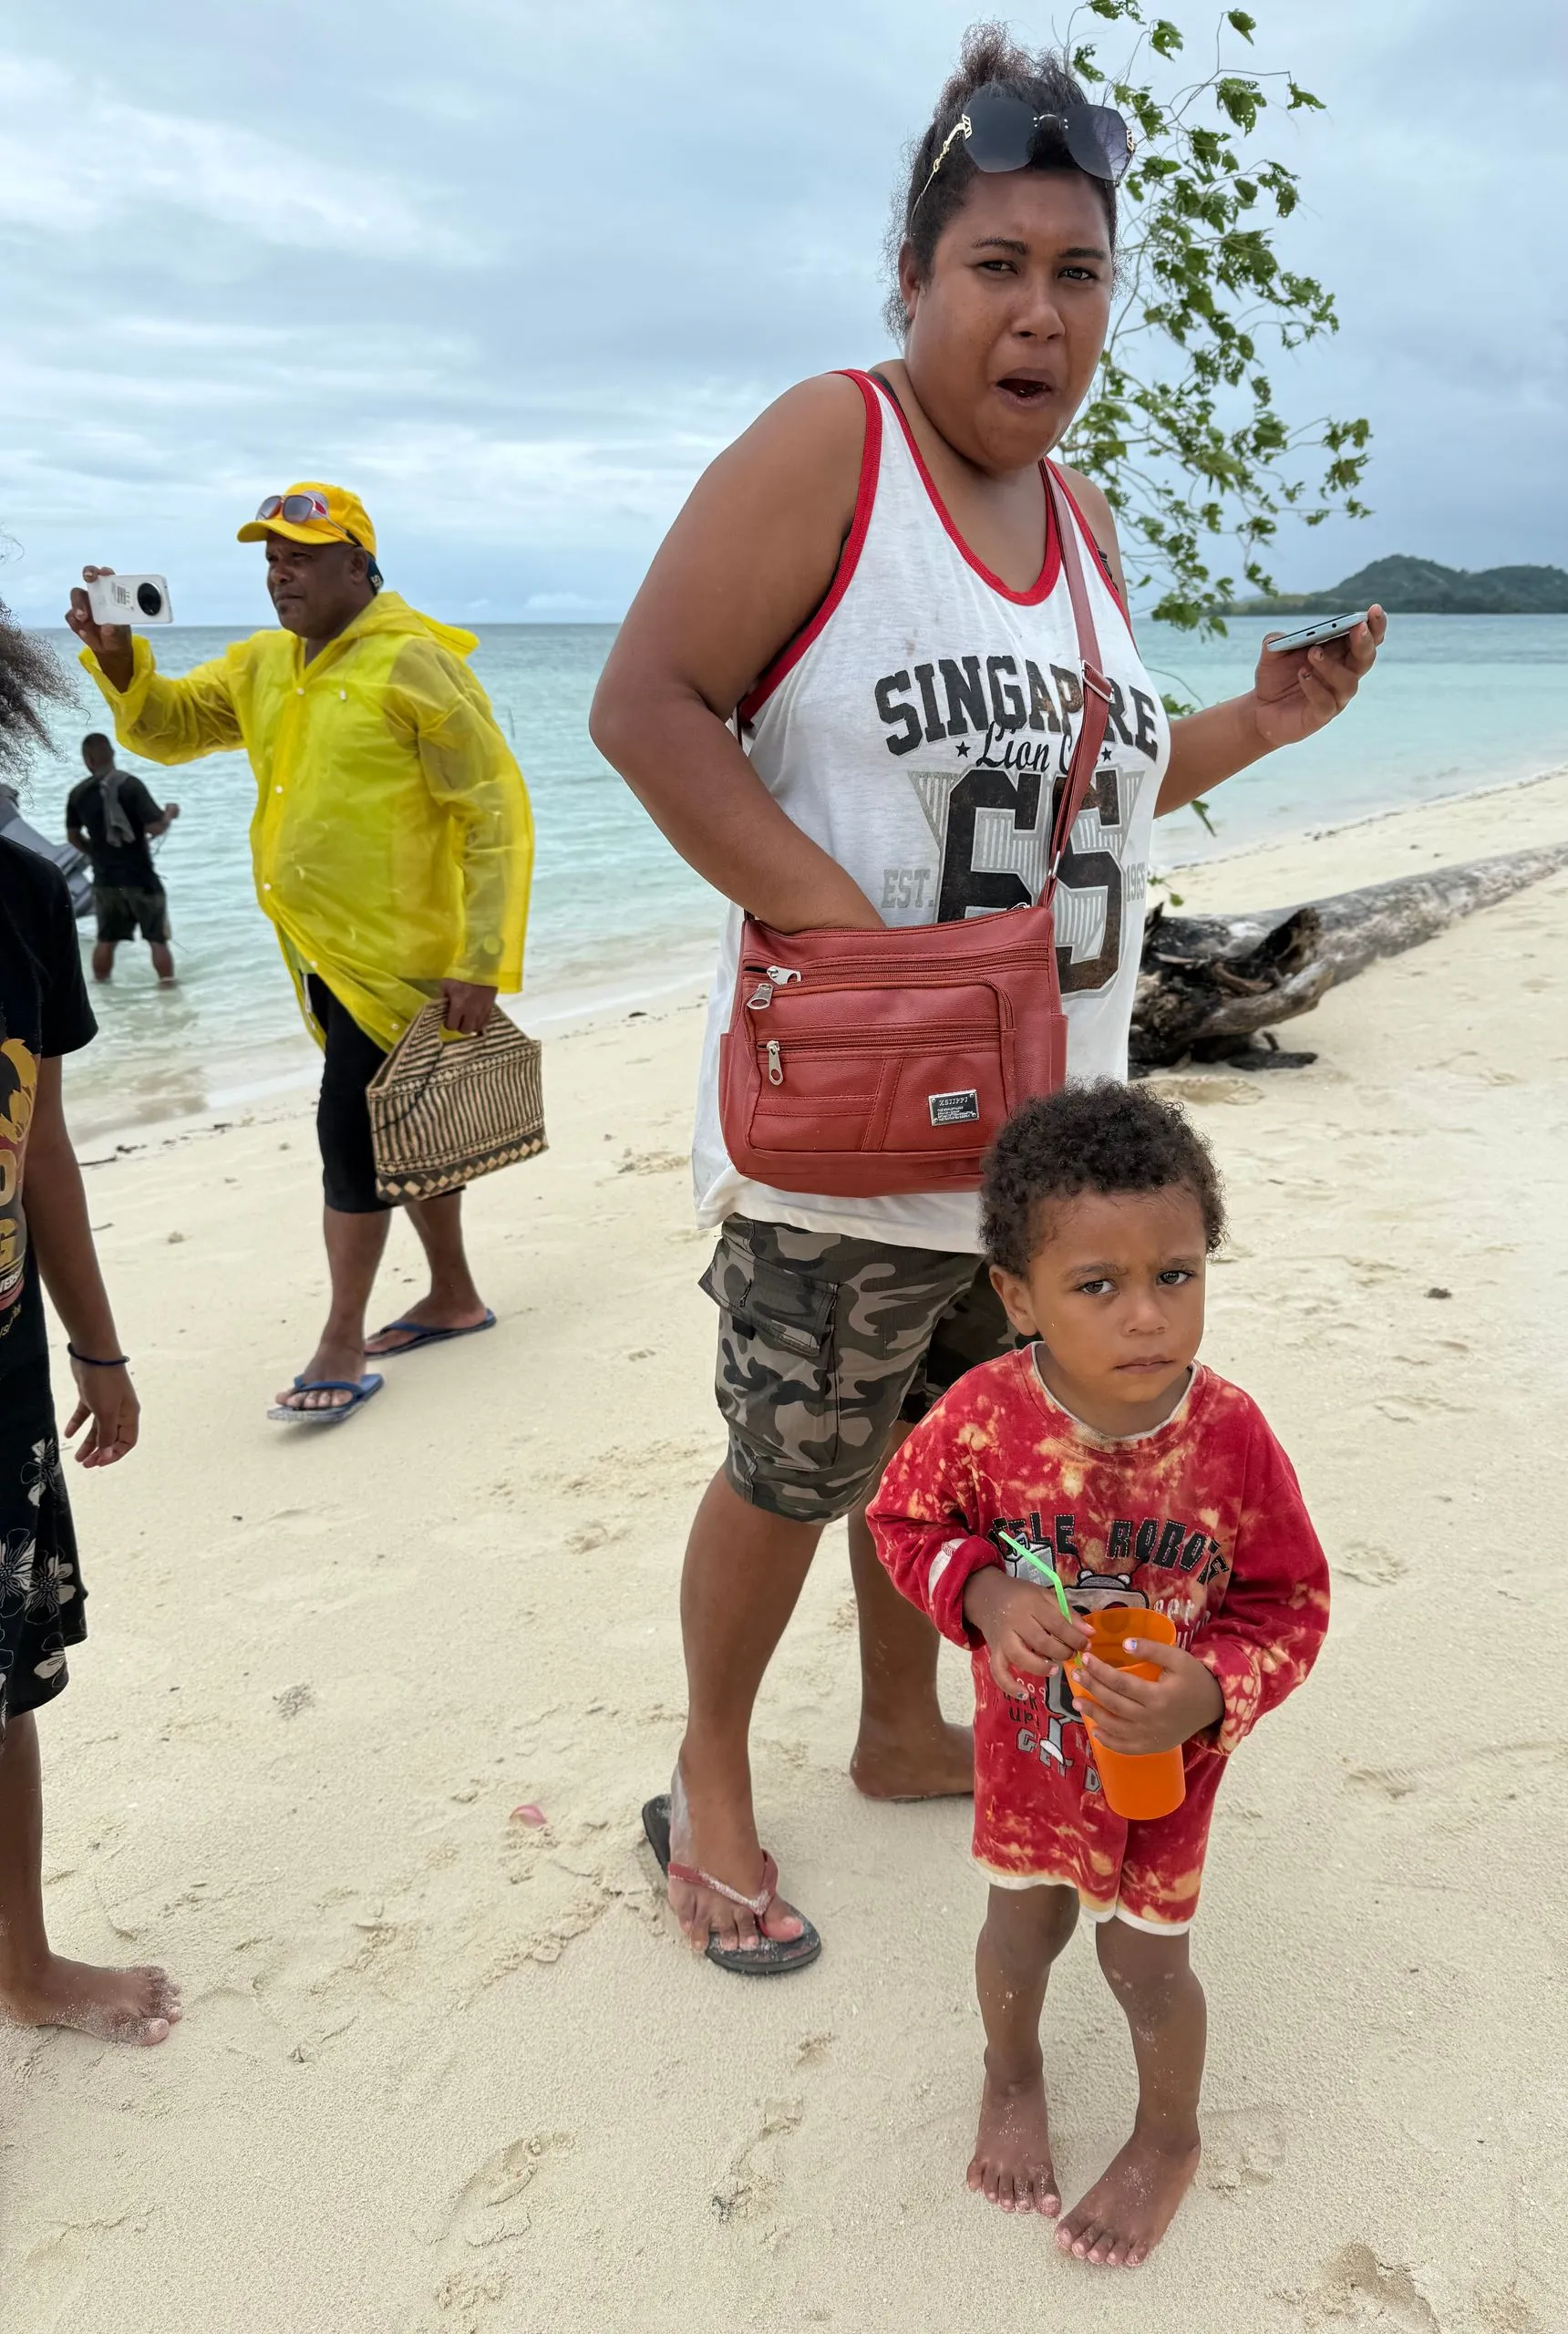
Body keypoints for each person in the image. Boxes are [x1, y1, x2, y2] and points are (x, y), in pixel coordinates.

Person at [589, 27, 1380, 1971]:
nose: (1039, 314)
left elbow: (1080, 803)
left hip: (1044, 1143)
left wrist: (1256, 727)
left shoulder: (1091, 523)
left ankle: (888, 1726)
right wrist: (855, 946)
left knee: (957, 1454)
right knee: (796, 1461)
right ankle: (708, 1771)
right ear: (919, 282)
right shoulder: (833, 447)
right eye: (996, 268)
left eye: (1077, 271)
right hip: (856, 1122)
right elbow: (645, 705)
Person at [869, 1081, 1327, 2267]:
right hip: (1028, 1753)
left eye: (1175, 1276)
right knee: (1019, 1929)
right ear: (1018, 1299)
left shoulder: (1230, 1440)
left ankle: (1167, 2136)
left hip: (1163, 1766)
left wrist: (1211, 1689)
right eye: (1097, 1285)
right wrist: (983, 1592)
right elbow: (901, 1520)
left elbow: (1292, 1601)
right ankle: (1009, 2072)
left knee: (1143, 1960)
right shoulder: (981, 1419)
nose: (1145, 1318)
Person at [64, 483, 534, 1425]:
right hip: (316, 952)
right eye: (270, 559)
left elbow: (492, 810)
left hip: (405, 953)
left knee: (350, 1137)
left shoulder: (417, 664)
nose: (280, 575)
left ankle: (341, 1337)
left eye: (301, 557)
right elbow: (166, 728)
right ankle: (453, 1294)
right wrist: (119, 663)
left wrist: (483, 957)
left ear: (359, 563)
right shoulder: (265, 666)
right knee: (407, 1123)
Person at [0, 599, 181, 2046]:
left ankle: (25, 1960)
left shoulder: (19, 886)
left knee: (5, 1684)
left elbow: (44, 1142)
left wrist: (98, 1347)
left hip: (1, 1373)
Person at [65, 732, 181, 986]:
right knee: (157, 940)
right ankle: (169, 992)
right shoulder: (131, 786)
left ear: (88, 760)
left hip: (106, 881)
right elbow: (155, 828)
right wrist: (169, 814)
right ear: (113, 755)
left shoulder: (78, 794)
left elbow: (73, 836)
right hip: (141, 878)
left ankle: (103, 991)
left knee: (106, 939)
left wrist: (95, 853)